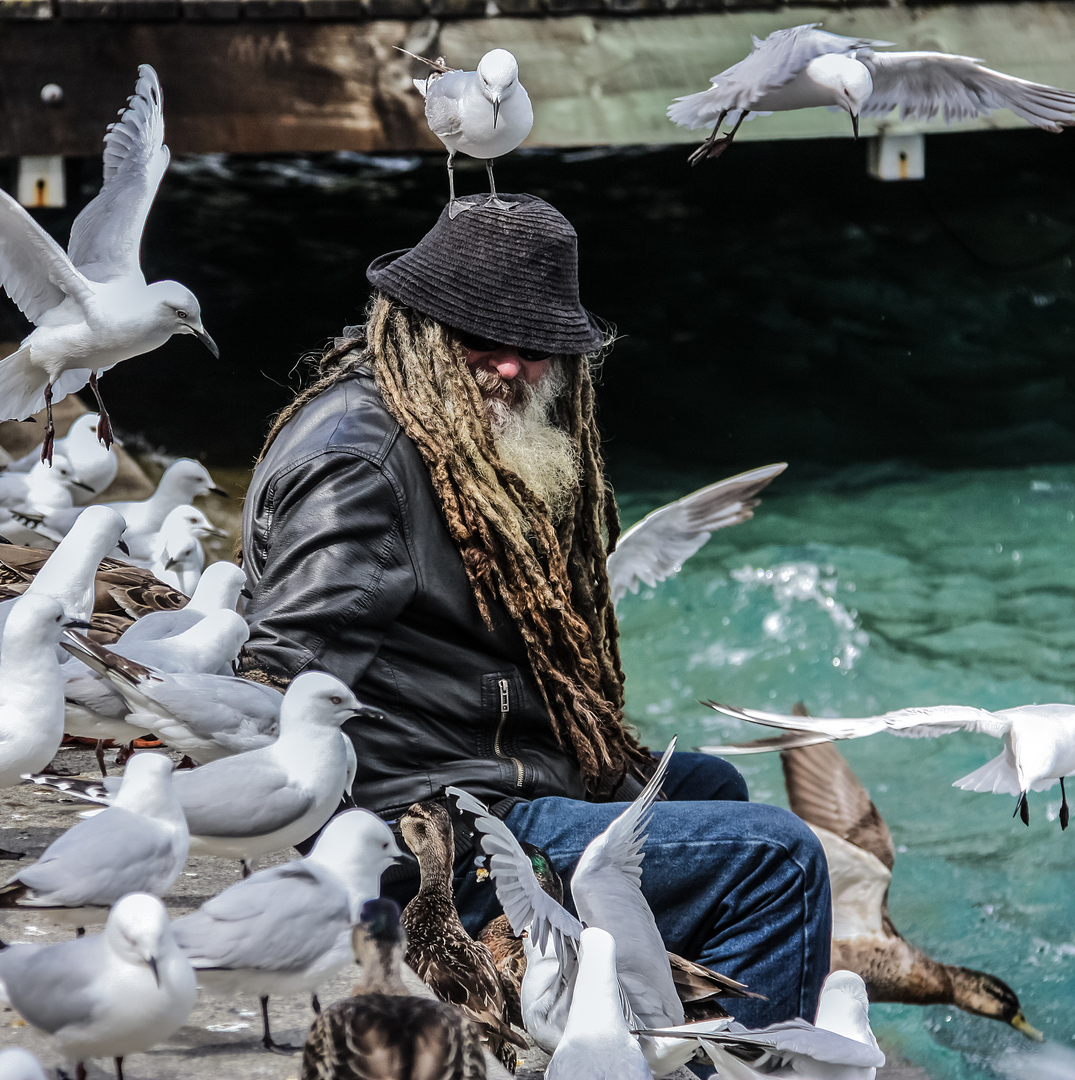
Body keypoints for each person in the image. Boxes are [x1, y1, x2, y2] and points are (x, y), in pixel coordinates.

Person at [237, 193, 830, 1027]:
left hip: (480, 767)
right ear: (419, 328)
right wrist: (363, 873)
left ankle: (642, 1033)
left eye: (537, 347)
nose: (512, 366)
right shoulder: (361, 467)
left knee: (713, 786)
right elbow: (277, 679)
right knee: (781, 860)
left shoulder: (439, 428)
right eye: (486, 340)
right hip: (436, 829)